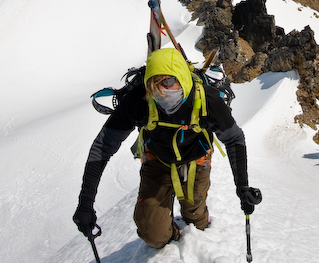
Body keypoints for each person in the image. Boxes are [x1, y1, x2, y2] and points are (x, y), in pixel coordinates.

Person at [73, 47, 262, 247]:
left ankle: (195, 227)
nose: (162, 90)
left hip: (196, 159)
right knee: (153, 232)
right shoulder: (140, 100)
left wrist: (242, 187)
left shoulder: (207, 99)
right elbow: (103, 146)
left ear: (181, 78)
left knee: (195, 216)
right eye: (154, 84)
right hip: (157, 158)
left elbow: (234, 139)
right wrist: (86, 203)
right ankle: (172, 239)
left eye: (169, 81)